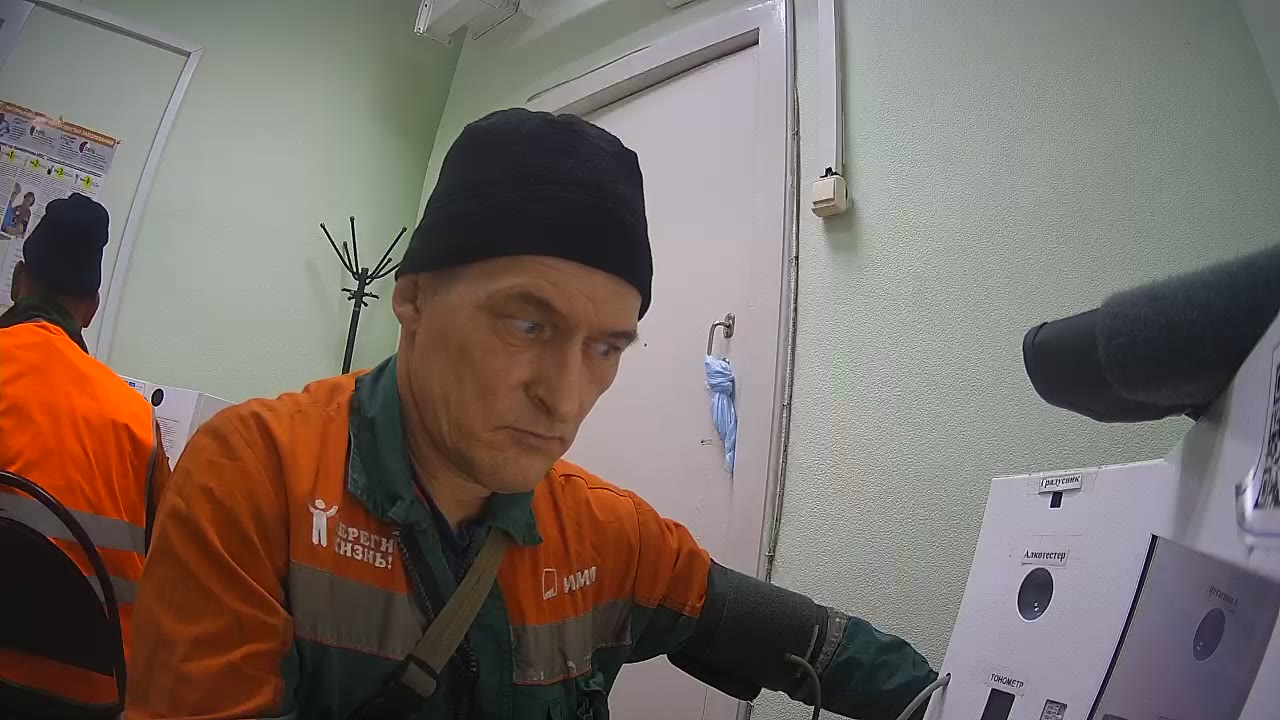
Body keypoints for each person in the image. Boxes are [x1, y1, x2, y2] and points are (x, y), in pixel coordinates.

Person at [127, 109, 937, 720]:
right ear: (413, 297)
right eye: (527, 324)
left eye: (606, 347)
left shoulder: (608, 537)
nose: (566, 395)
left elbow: (804, 640)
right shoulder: (256, 477)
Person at [0, 193, 170, 703]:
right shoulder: (138, 421)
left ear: (17, 281)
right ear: (91, 310)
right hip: (87, 698)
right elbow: (176, 567)